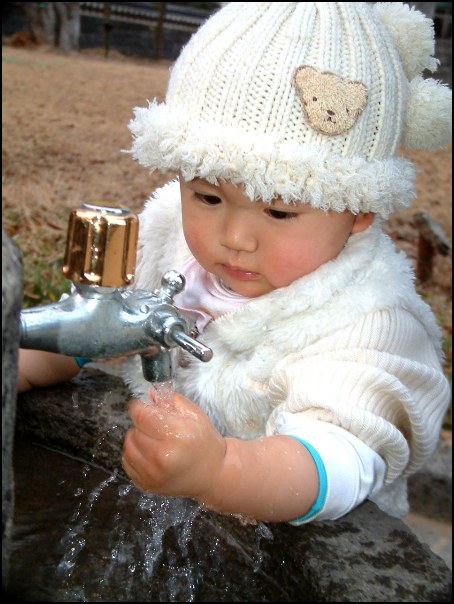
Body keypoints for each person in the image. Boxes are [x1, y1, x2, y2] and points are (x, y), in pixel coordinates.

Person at [18, 2, 452, 525]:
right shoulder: (165, 236)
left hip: (298, 551)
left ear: (359, 212)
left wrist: (222, 471)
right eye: (208, 198)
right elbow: (98, 332)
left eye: (279, 210)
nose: (236, 238)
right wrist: (26, 361)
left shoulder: (369, 320)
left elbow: (340, 461)